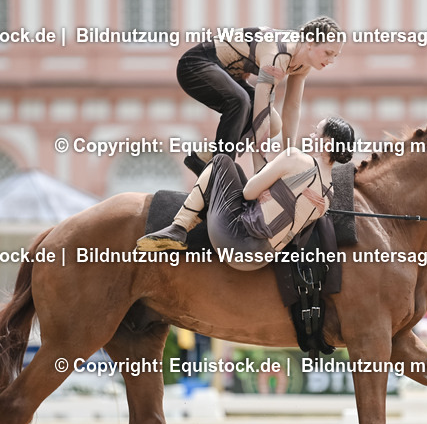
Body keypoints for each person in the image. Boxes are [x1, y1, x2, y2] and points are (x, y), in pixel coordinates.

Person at [137, 117, 354, 270]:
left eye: (317, 131)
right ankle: (205, 181)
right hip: (262, 259)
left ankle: (179, 227)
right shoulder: (328, 197)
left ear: (327, 142)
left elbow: (249, 192)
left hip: (236, 240)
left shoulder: (296, 157)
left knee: (222, 162)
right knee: (236, 172)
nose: (311, 134)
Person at [176, 16, 343, 175]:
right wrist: (260, 166)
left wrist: (289, 154)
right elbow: (260, 114)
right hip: (195, 65)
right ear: (310, 43)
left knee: (274, 124)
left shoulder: (303, 63)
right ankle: (220, 171)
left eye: (335, 55)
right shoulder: (278, 54)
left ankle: (203, 157)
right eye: (328, 53)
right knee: (241, 101)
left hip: (229, 76)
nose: (332, 60)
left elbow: (292, 107)